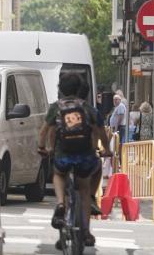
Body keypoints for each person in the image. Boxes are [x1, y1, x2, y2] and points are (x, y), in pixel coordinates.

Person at [38, 73, 112, 249]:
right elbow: (101, 131)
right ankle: (85, 231)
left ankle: (61, 203)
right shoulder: (88, 109)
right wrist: (107, 149)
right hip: (85, 156)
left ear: (61, 89)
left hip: (63, 155)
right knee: (84, 189)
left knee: (58, 173)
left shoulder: (56, 108)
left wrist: (43, 148)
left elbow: (44, 131)